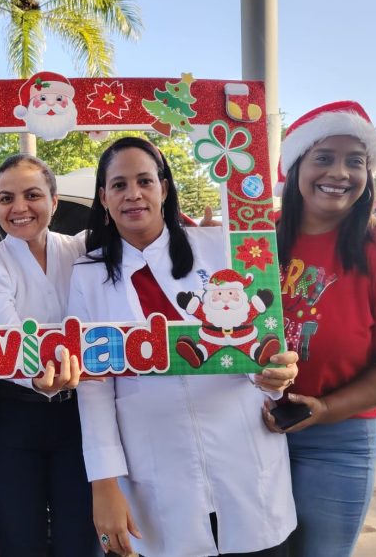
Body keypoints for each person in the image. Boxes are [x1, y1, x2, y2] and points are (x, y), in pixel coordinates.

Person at [69, 136, 299, 557]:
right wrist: (103, 483)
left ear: (164, 187)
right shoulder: (87, 274)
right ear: (103, 198)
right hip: (156, 463)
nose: (133, 194)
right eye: (119, 185)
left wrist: (273, 374)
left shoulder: (220, 247)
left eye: (144, 181)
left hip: (242, 449)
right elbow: (93, 384)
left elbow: (257, 346)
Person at [267, 101, 376, 557]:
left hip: (336, 440)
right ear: (296, 166)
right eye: (324, 157)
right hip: (251, 432)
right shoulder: (256, 239)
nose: (340, 173)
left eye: (355, 161)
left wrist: (327, 408)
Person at [0, 154, 96, 556]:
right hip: (11, 416)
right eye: (6, 198)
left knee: (80, 536)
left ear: (54, 201)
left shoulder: (82, 249)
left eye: (32, 195)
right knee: (20, 537)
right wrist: (36, 375)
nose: (19, 207)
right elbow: (7, 336)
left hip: (79, 413)